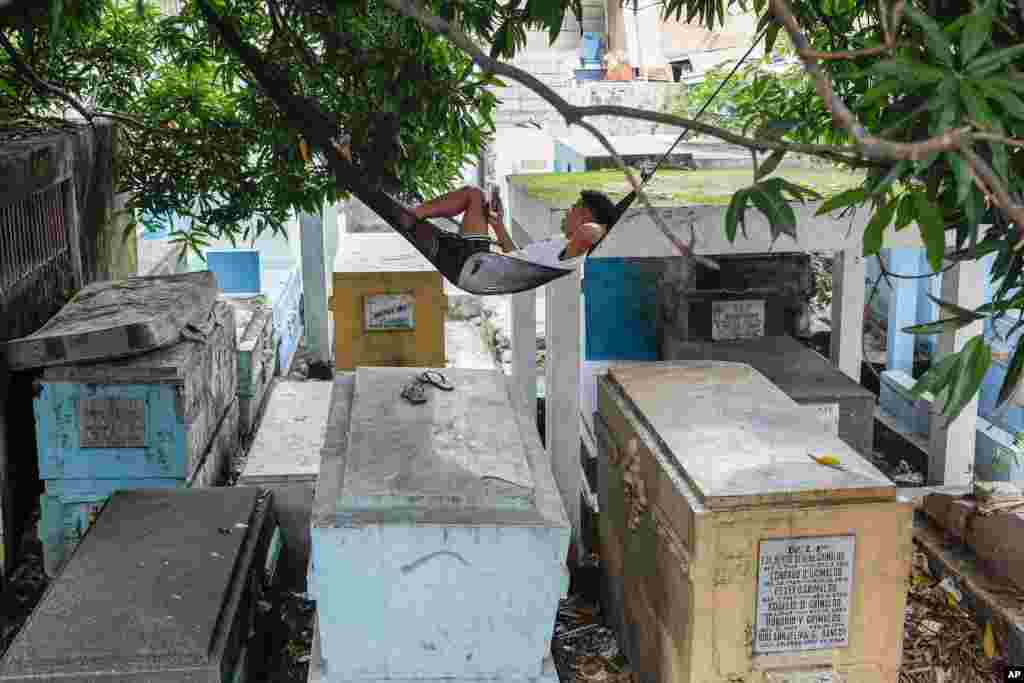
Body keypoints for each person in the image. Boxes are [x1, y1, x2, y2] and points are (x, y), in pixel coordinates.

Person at [401, 186, 616, 273]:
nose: (568, 210)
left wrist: (607, 224)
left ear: (586, 216)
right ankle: (416, 212)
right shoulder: (561, 243)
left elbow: (589, 233)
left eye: (575, 207)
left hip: (477, 266)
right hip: (482, 264)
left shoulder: (573, 250)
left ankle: (414, 213)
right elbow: (515, 256)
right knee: (477, 198)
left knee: (474, 194)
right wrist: (498, 225)